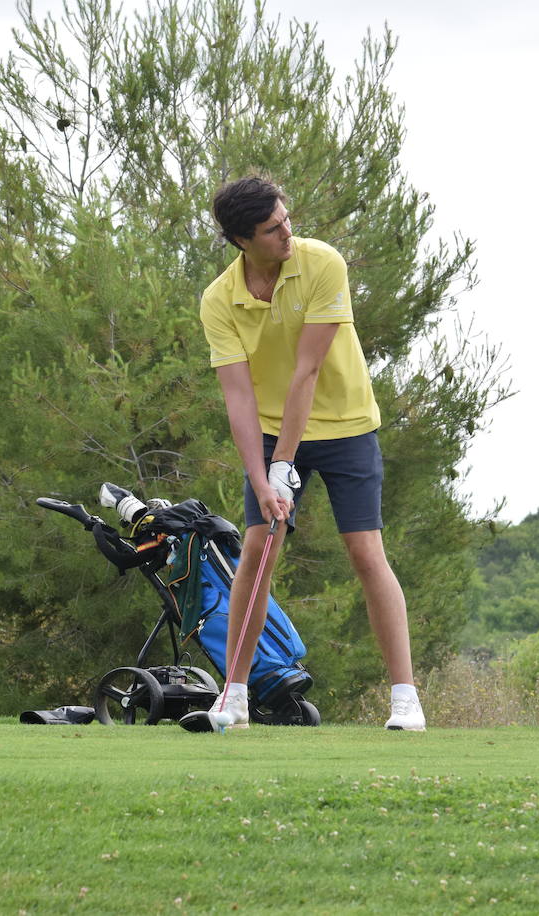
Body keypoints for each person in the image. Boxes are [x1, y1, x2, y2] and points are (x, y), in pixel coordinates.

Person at [178, 174, 425, 733]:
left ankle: (406, 700)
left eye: (287, 219)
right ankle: (234, 698)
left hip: (345, 425)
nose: (288, 232)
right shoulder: (220, 299)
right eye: (272, 229)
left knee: (365, 552)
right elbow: (238, 397)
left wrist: (284, 464)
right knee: (257, 550)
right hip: (268, 427)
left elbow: (306, 372)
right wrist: (262, 479)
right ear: (242, 240)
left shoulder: (321, 263)